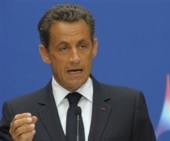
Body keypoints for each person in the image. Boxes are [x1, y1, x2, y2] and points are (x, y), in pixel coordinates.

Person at [0, 3, 156, 141]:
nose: (75, 58)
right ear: (45, 53)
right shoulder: (19, 113)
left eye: (82, 46)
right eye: (64, 48)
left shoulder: (128, 105)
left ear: (94, 47)